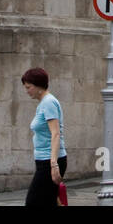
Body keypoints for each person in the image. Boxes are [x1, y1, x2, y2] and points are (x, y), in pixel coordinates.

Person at [22, 67, 66, 207]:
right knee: (48, 201)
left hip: (49, 161)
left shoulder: (48, 103)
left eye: (29, 87)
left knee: (33, 201)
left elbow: (55, 133)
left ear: (39, 85)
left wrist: (54, 165)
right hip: (44, 160)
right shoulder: (43, 103)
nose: (27, 91)